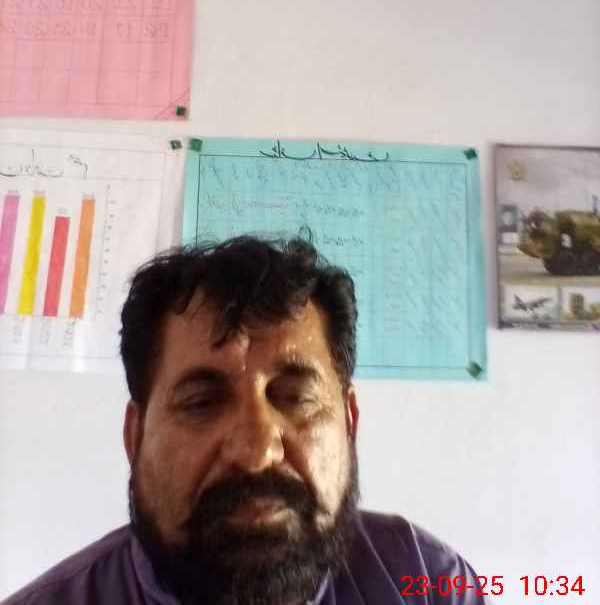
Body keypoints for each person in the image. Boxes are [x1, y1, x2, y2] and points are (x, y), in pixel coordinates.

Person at [3, 235, 484, 605]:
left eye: (295, 398)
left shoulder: (427, 581)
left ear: (349, 423)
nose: (256, 453)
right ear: (135, 436)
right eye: (201, 403)